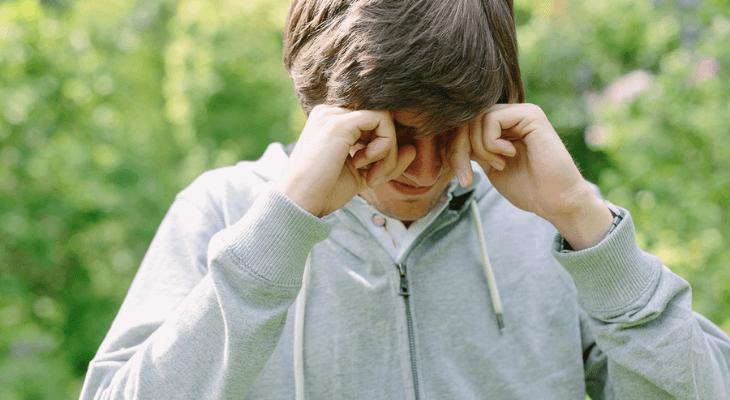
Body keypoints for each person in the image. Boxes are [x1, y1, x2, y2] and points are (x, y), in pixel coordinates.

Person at [80, 0, 730, 398]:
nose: (423, 168)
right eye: (397, 131)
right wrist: (280, 232)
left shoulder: (553, 228)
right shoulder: (223, 213)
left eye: (450, 129)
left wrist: (584, 221)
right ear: (323, 108)